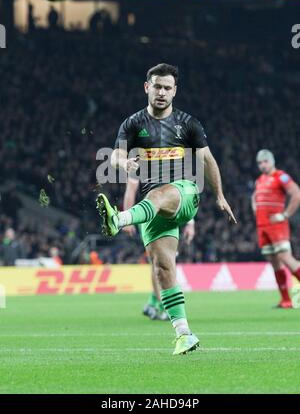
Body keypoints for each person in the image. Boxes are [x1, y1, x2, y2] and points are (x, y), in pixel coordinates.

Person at [97, 63, 236, 355]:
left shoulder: (188, 124)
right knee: (162, 267)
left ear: (175, 91)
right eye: (157, 86)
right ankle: (184, 333)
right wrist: (125, 164)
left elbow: (208, 161)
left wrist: (220, 196)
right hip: (152, 208)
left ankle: (119, 219)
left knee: (161, 193)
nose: (162, 92)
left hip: (184, 194)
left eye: (167, 87)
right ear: (147, 87)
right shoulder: (133, 124)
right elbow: (116, 157)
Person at [123, 176, 195, 321]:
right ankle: (161, 305)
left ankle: (154, 302)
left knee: (158, 261)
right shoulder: (145, 158)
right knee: (162, 261)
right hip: (152, 212)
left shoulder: (171, 157)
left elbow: (185, 191)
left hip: (164, 211)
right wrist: (127, 218)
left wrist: (190, 223)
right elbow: (131, 188)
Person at [252, 149, 300, 308]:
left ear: (272, 161)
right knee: (274, 262)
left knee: (286, 258)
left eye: (265, 161)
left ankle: (287, 299)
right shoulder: (260, 180)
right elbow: (255, 197)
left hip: (277, 226)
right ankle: (286, 300)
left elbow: (296, 193)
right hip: (262, 226)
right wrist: (255, 209)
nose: (262, 165)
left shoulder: (281, 176)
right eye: (260, 163)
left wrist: (285, 215)